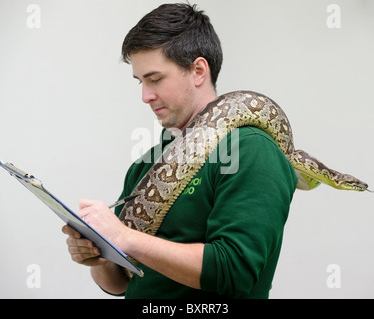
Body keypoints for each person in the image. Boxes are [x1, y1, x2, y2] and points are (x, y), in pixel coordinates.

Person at [62, 3, 296, 299]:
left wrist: (123, 236)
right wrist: (97, 254)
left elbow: (234, 272)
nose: (145, 96)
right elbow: (121, 283)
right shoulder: (147, 163)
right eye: (140, 81)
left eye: (155, 79)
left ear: (198, 70)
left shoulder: (249, 149)